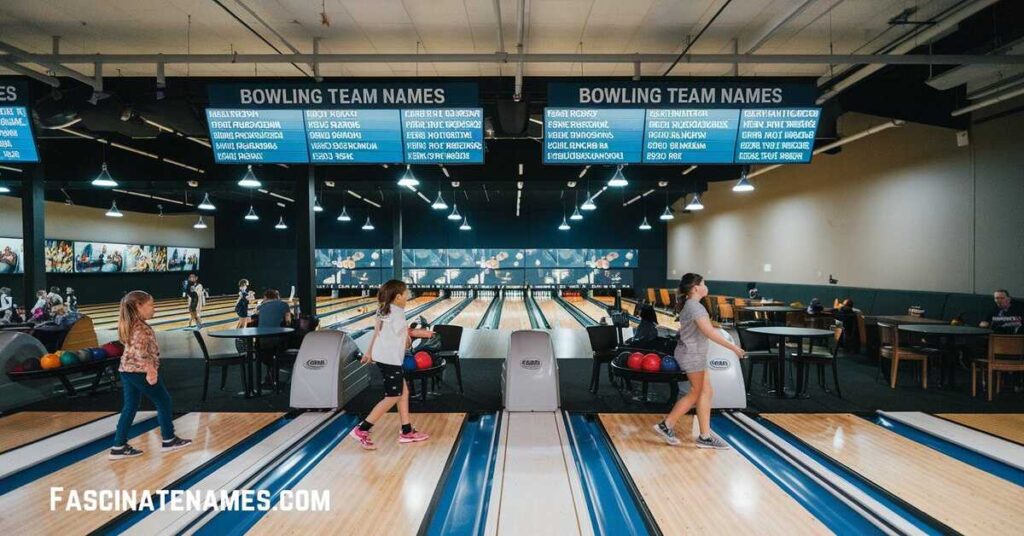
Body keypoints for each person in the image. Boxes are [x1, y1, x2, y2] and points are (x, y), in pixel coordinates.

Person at [652, 273, 745, 449]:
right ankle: (667, 425)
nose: (706, 285)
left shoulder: (691, 305)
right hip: (692, 355)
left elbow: (704, 328)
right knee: (696, 392)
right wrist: (734, 348)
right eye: (703, 283)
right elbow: (708, 333)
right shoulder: (696, 307)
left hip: (693, 353)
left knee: (706, 392)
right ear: (695, 288)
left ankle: (705, 436)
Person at [109, 290, 191, 459]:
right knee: (163, 400)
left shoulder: (130, 324)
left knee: (130, 406)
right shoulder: (140, 328)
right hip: (140, 371)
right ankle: (169, 439)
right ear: (139, 306)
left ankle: (118, 445)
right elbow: (141, 352)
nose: (154, 309)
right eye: (151, 305)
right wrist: (151, 370)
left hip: (127, 370)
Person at [350, 280, 431, 450]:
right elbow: (406, 342)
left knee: (404, 392)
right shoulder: (398, 312)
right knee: (393, 396)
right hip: (390, 359)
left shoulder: (383, 308)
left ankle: (406, 431)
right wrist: (420, 334)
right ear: (398, 296)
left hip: (383, 356)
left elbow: (377, 332)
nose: (408, 294)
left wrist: (369, 352)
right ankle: (362, 429)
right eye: (406, 292)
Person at [255, 289, 293, 385]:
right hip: (277, 340)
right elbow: (288, 322)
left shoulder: (261, 306)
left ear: (266, 297)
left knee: (268, 353)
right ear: (277, 297)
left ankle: (270, 376)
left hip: (261, 341)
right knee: (284, 341)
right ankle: (274, 376)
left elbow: (256, 317)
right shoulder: (284, 304)